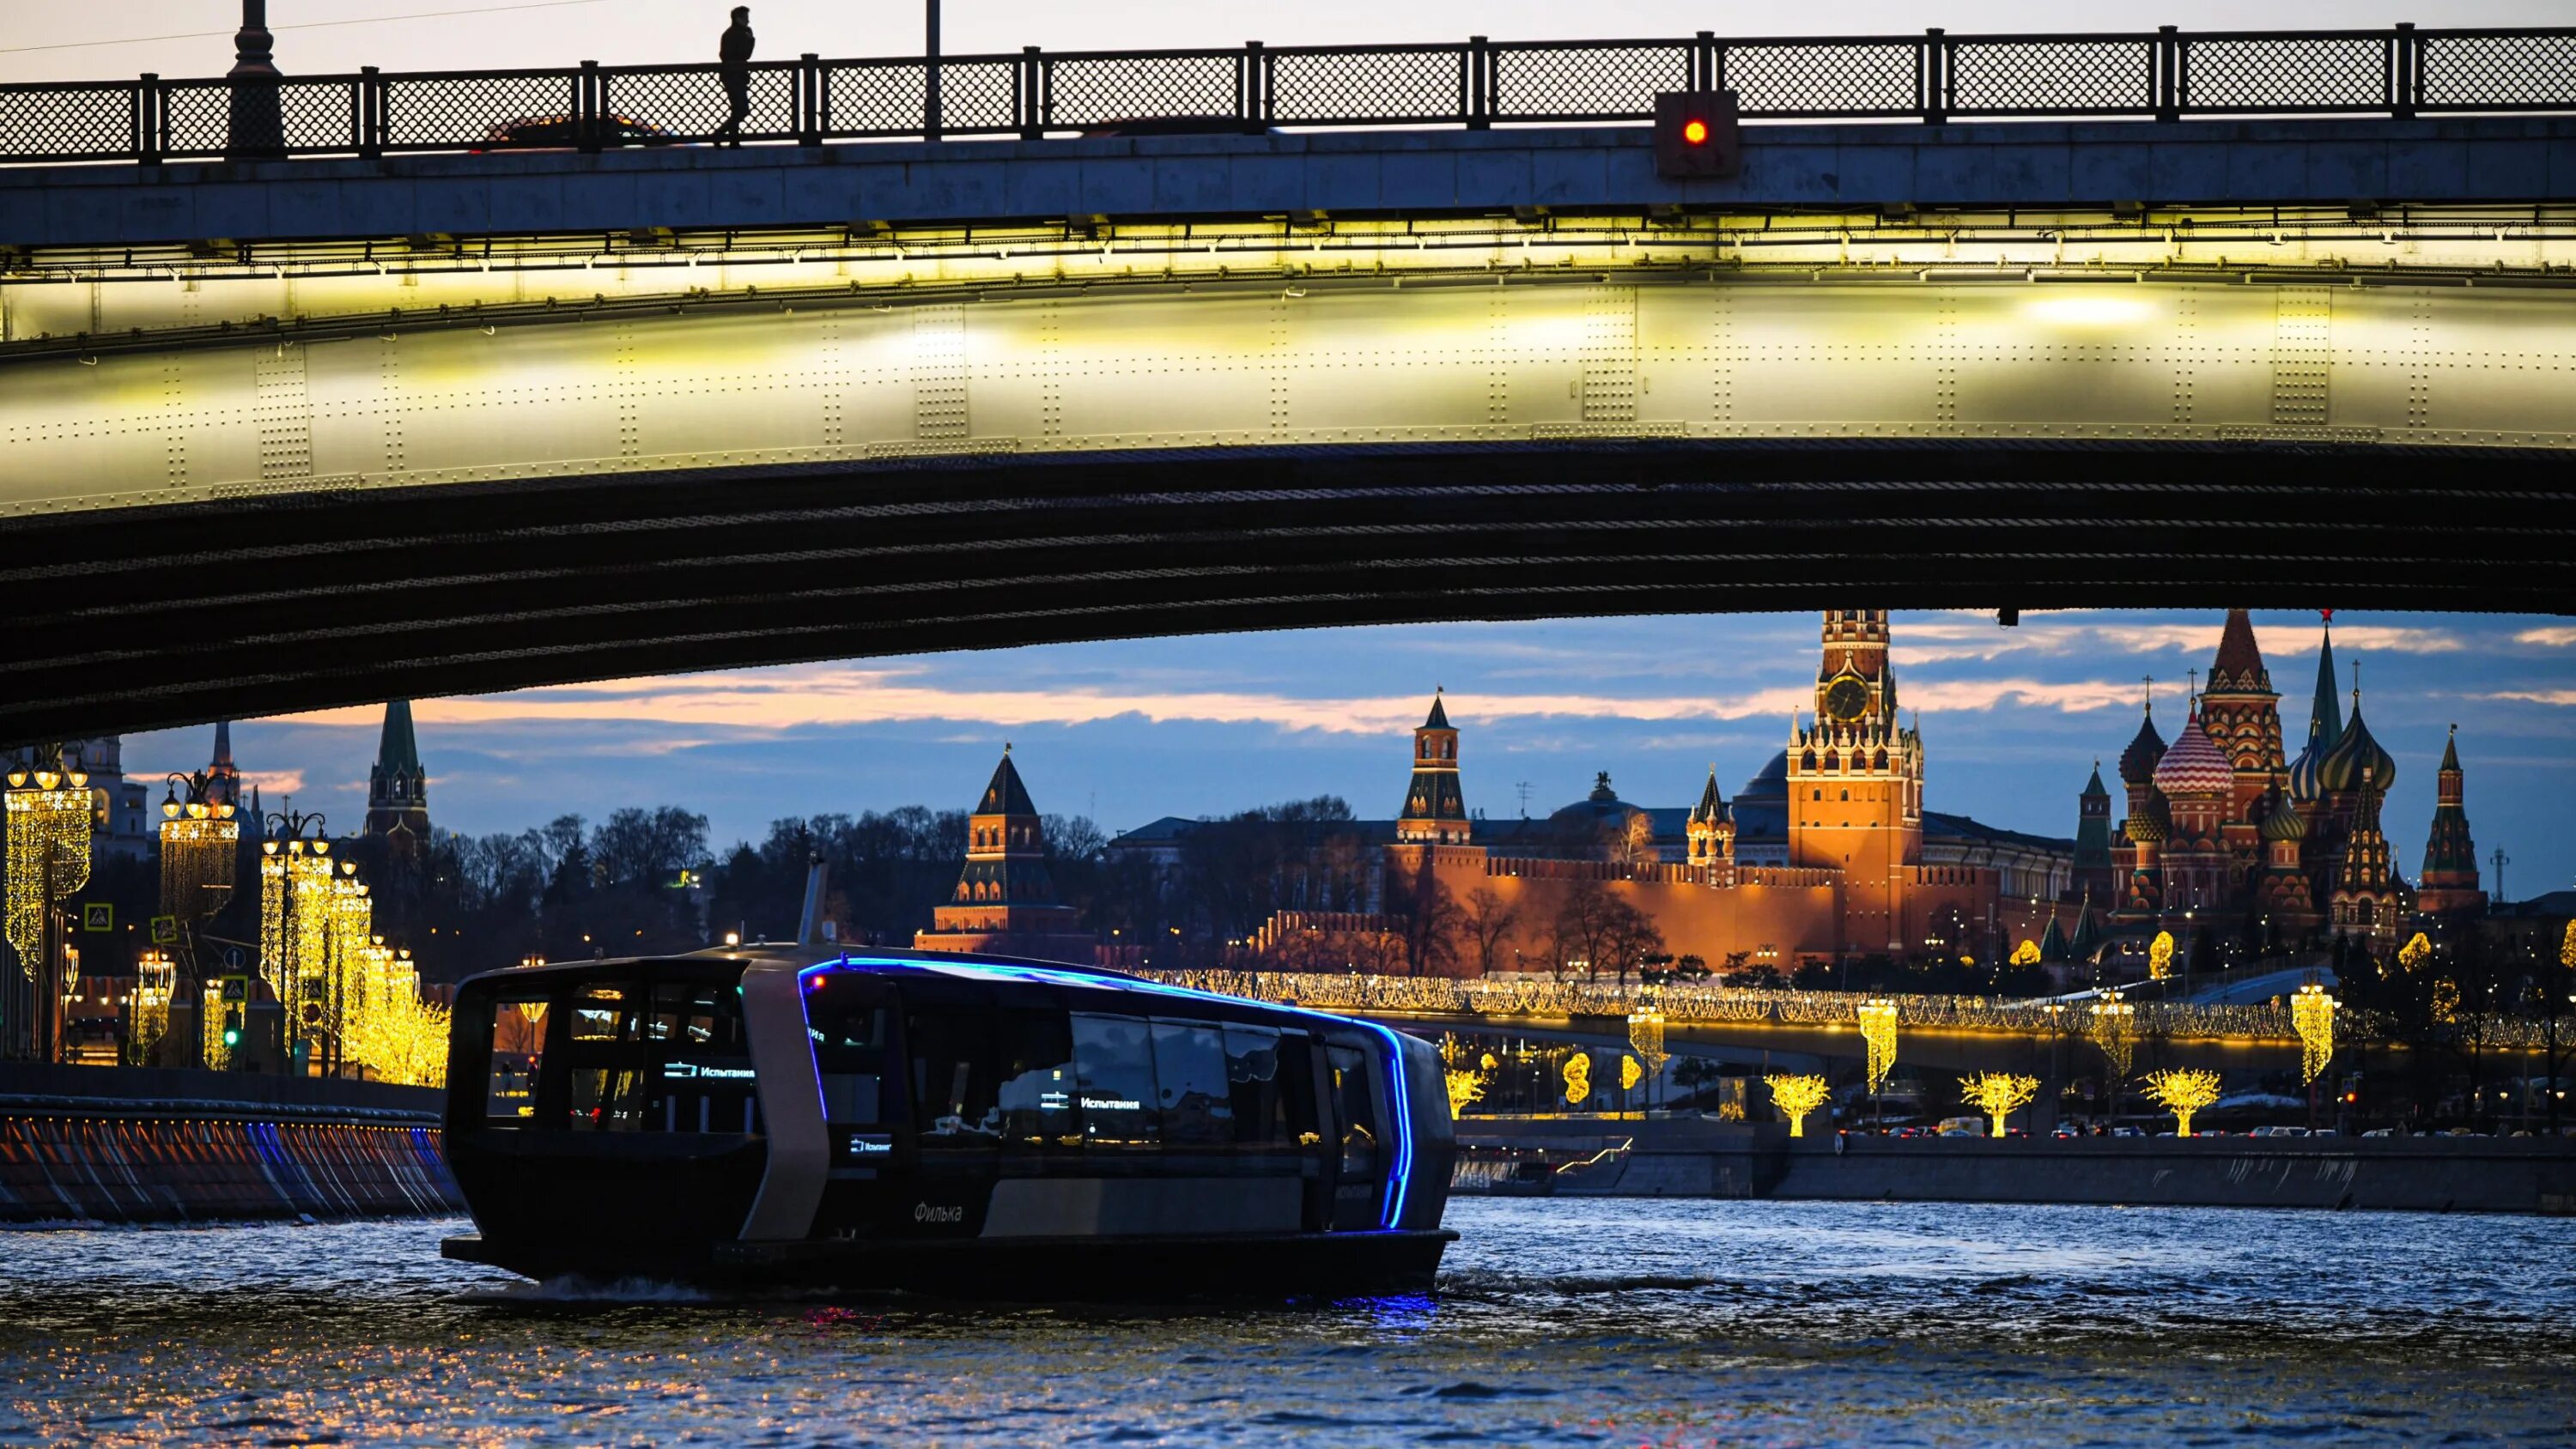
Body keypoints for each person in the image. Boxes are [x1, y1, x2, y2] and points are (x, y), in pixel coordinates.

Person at [716, 6, 756, 148]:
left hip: (732, 75)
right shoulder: (737, 34)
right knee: (742, 109)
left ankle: (733, 141)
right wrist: (750, 40)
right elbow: (745, 55)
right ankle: (719, 135)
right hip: (734, 75)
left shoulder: (731, 33)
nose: (748, 21)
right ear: (738, 18)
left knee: (737, 109)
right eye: (745, 18)